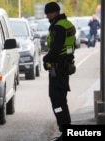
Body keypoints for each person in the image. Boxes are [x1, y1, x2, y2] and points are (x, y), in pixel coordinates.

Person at [43, 2, 76, 141]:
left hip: (58, 68)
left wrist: (46, 58)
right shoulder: (67, 24)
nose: (47, 16)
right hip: (65, 66)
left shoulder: (58, 27)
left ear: (55, 13)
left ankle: (65, 130)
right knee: (61, 99)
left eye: (48, 13)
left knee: (57, 101)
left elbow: (56, 50)